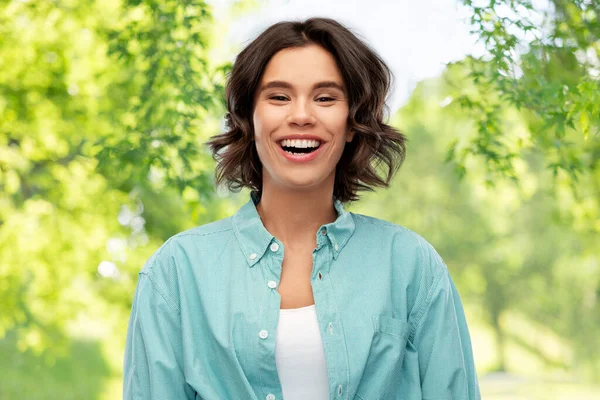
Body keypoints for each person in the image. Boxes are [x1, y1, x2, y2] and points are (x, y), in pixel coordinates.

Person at [123, 17, 481, 400]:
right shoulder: (176, 273)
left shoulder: (411, 266)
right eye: (279, 97)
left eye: (325, 98)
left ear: (351, 123)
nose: (302, 115)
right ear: (249, 118)